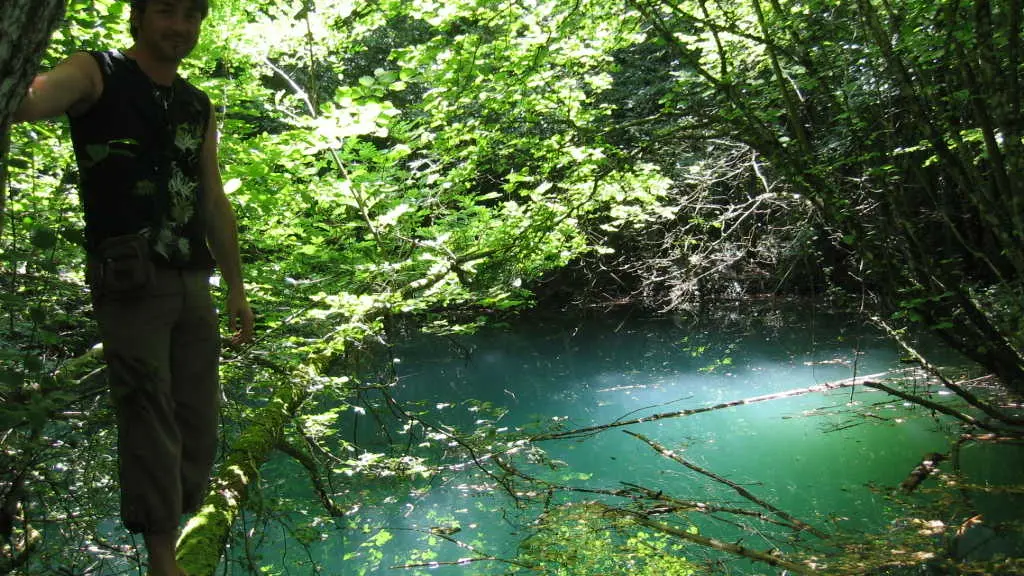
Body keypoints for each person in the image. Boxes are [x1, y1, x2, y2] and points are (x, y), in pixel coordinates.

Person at [11, 0, 253, 574]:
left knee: (197, 419)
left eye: (193, 15)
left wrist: (236, 287)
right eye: (167, 11)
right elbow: (27, 102)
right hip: (131, 279)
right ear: (138, 16)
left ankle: (178, 522)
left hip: (193, 278)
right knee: (148, 413)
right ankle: (162, 557)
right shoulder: (98, 71)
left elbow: (212, 198)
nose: (181, 26)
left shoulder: (196, 104)